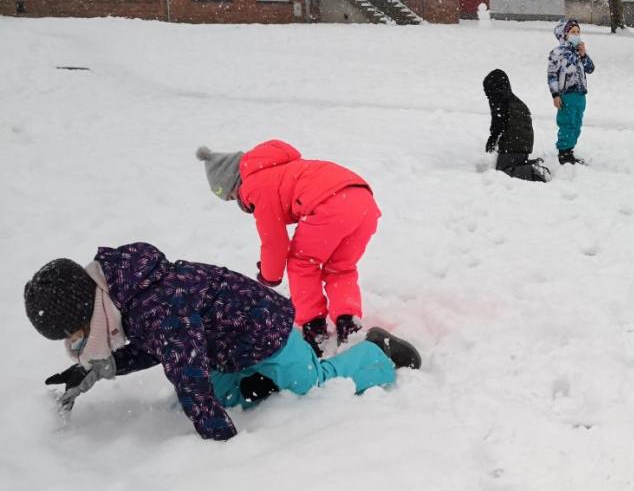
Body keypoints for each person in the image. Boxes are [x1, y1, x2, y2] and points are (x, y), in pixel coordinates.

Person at [25, 243, 421, 441]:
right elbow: (157, 345)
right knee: (227, 396)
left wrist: (219, 442)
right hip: (228, 349)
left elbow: (188, 372)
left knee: (311, 386)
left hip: (266, 332)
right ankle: (260, 379)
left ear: (89, 311)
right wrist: (102, 368)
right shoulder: (127, 293)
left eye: (76, 337)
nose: (79, 344)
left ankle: (377, 351)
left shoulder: (156, 303)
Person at [196, 140, 379, 355]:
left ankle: (314, 328)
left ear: (231, 184)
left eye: (231, 197)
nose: (237, 201)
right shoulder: (278, 168)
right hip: (363, 201)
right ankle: (348, 322)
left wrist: (269, 276)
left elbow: (274, 241)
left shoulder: (256, 184)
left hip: (330, 204)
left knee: (302, 262)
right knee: (341, 267)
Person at [484, 68, 550, 182]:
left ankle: (533, 171)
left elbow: (498, 122)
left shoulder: (499, 99)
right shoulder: (515, 100)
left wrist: (493, 137)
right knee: (516, 163)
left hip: (513, 143)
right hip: (524, 144)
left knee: (502, 171)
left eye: (488, 90)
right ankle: (533, 164)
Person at [547, 19, 596, 165]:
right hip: (566, 95)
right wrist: (555, 95)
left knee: (576, 124)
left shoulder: (579, 52)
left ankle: (570, 150)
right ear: (565, 35)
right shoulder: (557, 53)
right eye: (572, 32)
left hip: (580, 95)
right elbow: (552, 75)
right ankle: (564, 153)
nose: (576, 34)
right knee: (567, 124)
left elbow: (590, 69)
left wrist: (584, 55)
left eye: (578, 32)